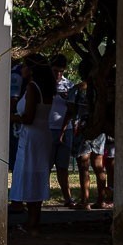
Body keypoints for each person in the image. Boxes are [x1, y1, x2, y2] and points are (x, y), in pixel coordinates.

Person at [10, 54, 57, 234]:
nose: (21, 69)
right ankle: (34, 220)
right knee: (37, 176)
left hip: (31, 137)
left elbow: (28, 118)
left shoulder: (31, 87)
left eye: (24, 66)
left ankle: (32, 222)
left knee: (29, 175)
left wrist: (11, 117)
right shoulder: (46, 88)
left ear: (31, 69)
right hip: (43, 135)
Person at [48, 55, 76, 207]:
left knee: (62, 167)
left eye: (61, 71)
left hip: (66, 130)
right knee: (45, 166)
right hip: (48, 129)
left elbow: (72, 110)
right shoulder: (44, 84)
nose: (58, 74)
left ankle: (68, 198)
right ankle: (39, 197)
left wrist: (64, 130)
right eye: (55, 71)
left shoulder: (68, 85)